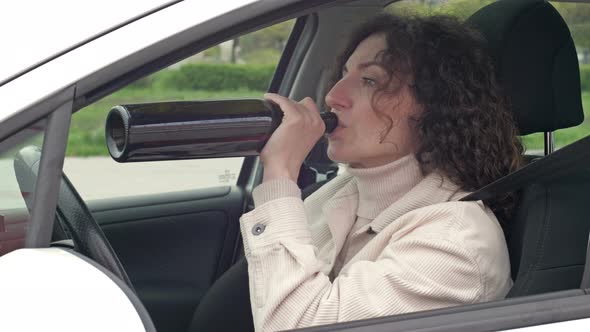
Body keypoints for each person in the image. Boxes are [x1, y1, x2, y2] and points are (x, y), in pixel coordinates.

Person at [239, 14, 523, 331]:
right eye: (344, 74)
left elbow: (300, 325)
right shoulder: (343, 191)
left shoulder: (456, 242)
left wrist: (280, 173)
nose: (333, 96)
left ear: (435, 106)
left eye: (371, 81)